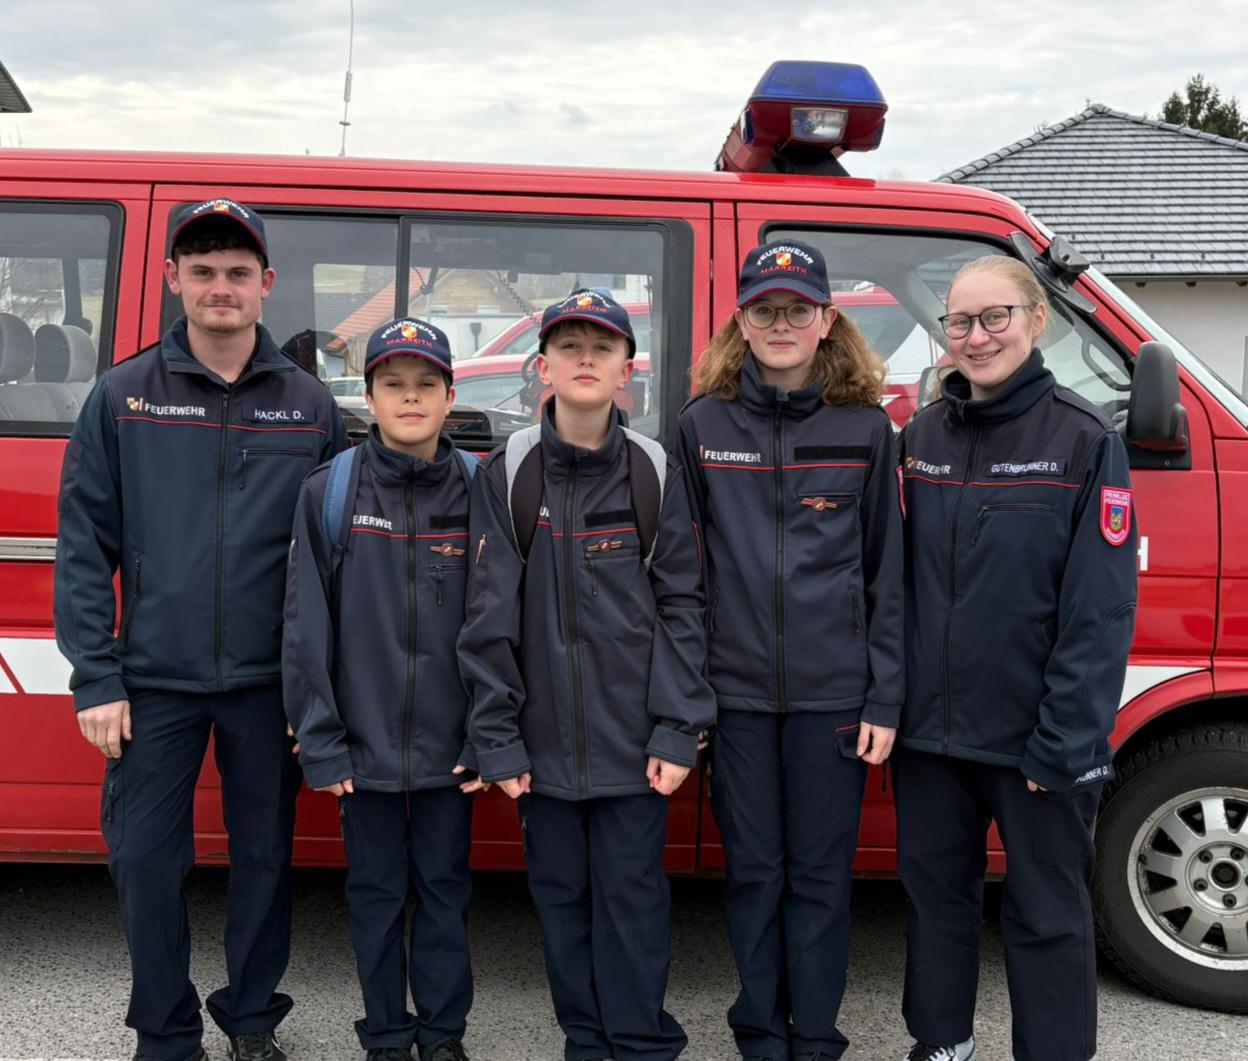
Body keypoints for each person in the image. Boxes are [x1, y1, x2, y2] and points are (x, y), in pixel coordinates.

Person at [54, 198, 349, 1061]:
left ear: (267, 284)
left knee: (264, 859)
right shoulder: (123, 396)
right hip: (153, 681)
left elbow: (333, 557)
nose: (221, 286)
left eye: (237, 272)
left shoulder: (310, 406)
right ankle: (166, 1029)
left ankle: (251, 1018)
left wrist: (318, 686)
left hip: (269, 685)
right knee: (145, 859)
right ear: (172, 278)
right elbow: (83, 545)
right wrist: (96, 676)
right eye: (203, 270)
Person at [458, 289, 716, 1061]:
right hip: (540, 752)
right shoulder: (509, 473)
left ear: (626, 371)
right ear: (542, 367)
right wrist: (498, 738)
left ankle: (639, 1043)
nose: (584, 359)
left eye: (602, 347)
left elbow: (684, 606)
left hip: (634, 749)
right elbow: (486, 615)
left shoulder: (653, 471)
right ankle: (586, 1041)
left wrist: (677, 727)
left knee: (634, 902)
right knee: (561, 902)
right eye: (568, 346)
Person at [894, 255, 1138, 1061]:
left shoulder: (1083, 438)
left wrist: (1066, 740)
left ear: (1037, 319)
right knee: (936, 904)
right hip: (930, 738)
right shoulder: (921, 437)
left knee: (1047, 914)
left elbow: (1099, 609)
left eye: (994, 316)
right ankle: (942, 1044)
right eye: (960, 321)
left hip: (1035, 740)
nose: (977, 336)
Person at [678, 239, 904, 1061]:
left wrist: (884, 694)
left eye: (797, 309)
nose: (781, 323)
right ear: (742, 320)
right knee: (753, 873)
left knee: (819, 876)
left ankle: (815, 1035)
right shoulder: (702, 424)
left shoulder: (867, 427)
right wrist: (690, 696)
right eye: (765, 309)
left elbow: (887, 571)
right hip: (735, 696)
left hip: (833, 696)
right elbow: (683, 573)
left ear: (826, 319)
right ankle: (759, 1032)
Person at [282, 318, 483, 1061]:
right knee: (374, 895)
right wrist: (323, 741)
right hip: (361, 748)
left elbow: (501, 623)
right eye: (393, 384)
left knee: (445, 891)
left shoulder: (481, 490)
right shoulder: (329, 492)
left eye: (426, 384)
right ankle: (387, 1035)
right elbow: (305, 626)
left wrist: (487, 735)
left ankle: (443, 1034)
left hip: (452, 750)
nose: (410, 397)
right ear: (367, 398)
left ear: (451, 396)